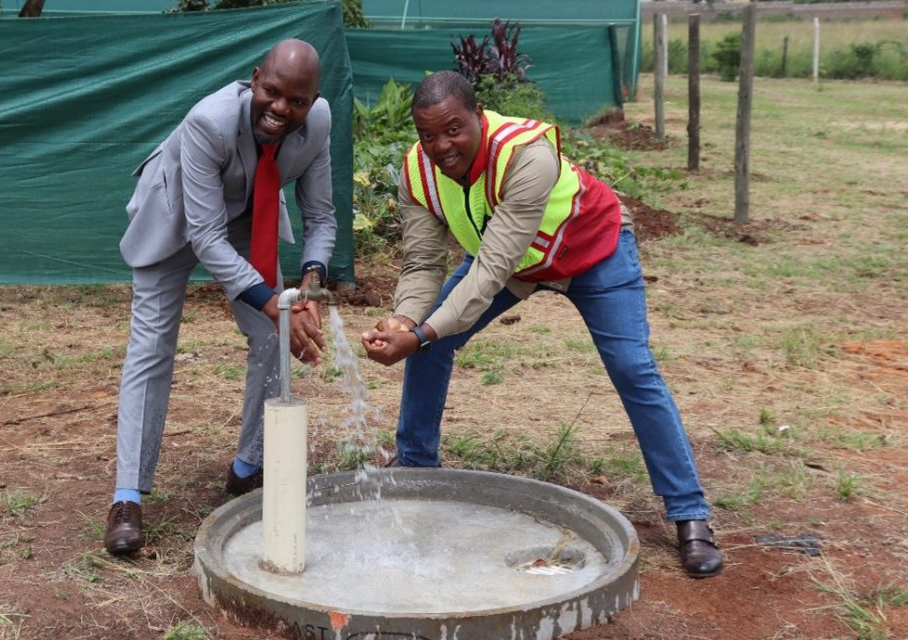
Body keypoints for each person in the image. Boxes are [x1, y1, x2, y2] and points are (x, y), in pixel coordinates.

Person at [359, 70, 723, 579]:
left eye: (454, 130)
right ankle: (416, 467)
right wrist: (403, 321)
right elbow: (422, 264)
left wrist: (421, 334)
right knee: (429, 345)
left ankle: (690, 513)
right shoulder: (416, 174)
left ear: (479, 118)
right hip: (512, 264)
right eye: (428, 135)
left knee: (632, 368)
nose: (441, 146)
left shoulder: (526, 155)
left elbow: (487, 272)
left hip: (592, 253)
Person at [105, 39, 335, 556]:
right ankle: (127, 497)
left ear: (313, 100)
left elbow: (321, 215)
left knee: (274, 338)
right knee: (152, 349)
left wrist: (310, 289)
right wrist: (274, 300)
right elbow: (204, 234)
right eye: (271, 93)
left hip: (247, 219)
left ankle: (247, 468)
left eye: (296, 101)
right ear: (255, 79)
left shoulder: (317, 121)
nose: (281, 109)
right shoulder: (208, 122)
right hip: (174, 218)